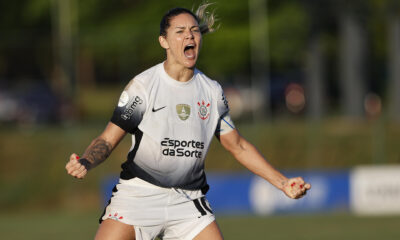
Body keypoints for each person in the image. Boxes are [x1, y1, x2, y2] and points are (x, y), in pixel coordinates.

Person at [65, 3, 311, 240]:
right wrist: (86, 160)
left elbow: (238, 146)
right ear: (164, 41)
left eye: (194, 30)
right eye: (180, 32)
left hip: (188, 200)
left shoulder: (212, 92)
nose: (189, 36)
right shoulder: (144, 87)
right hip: (139, 195)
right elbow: (108, 138)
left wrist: (283, 183)